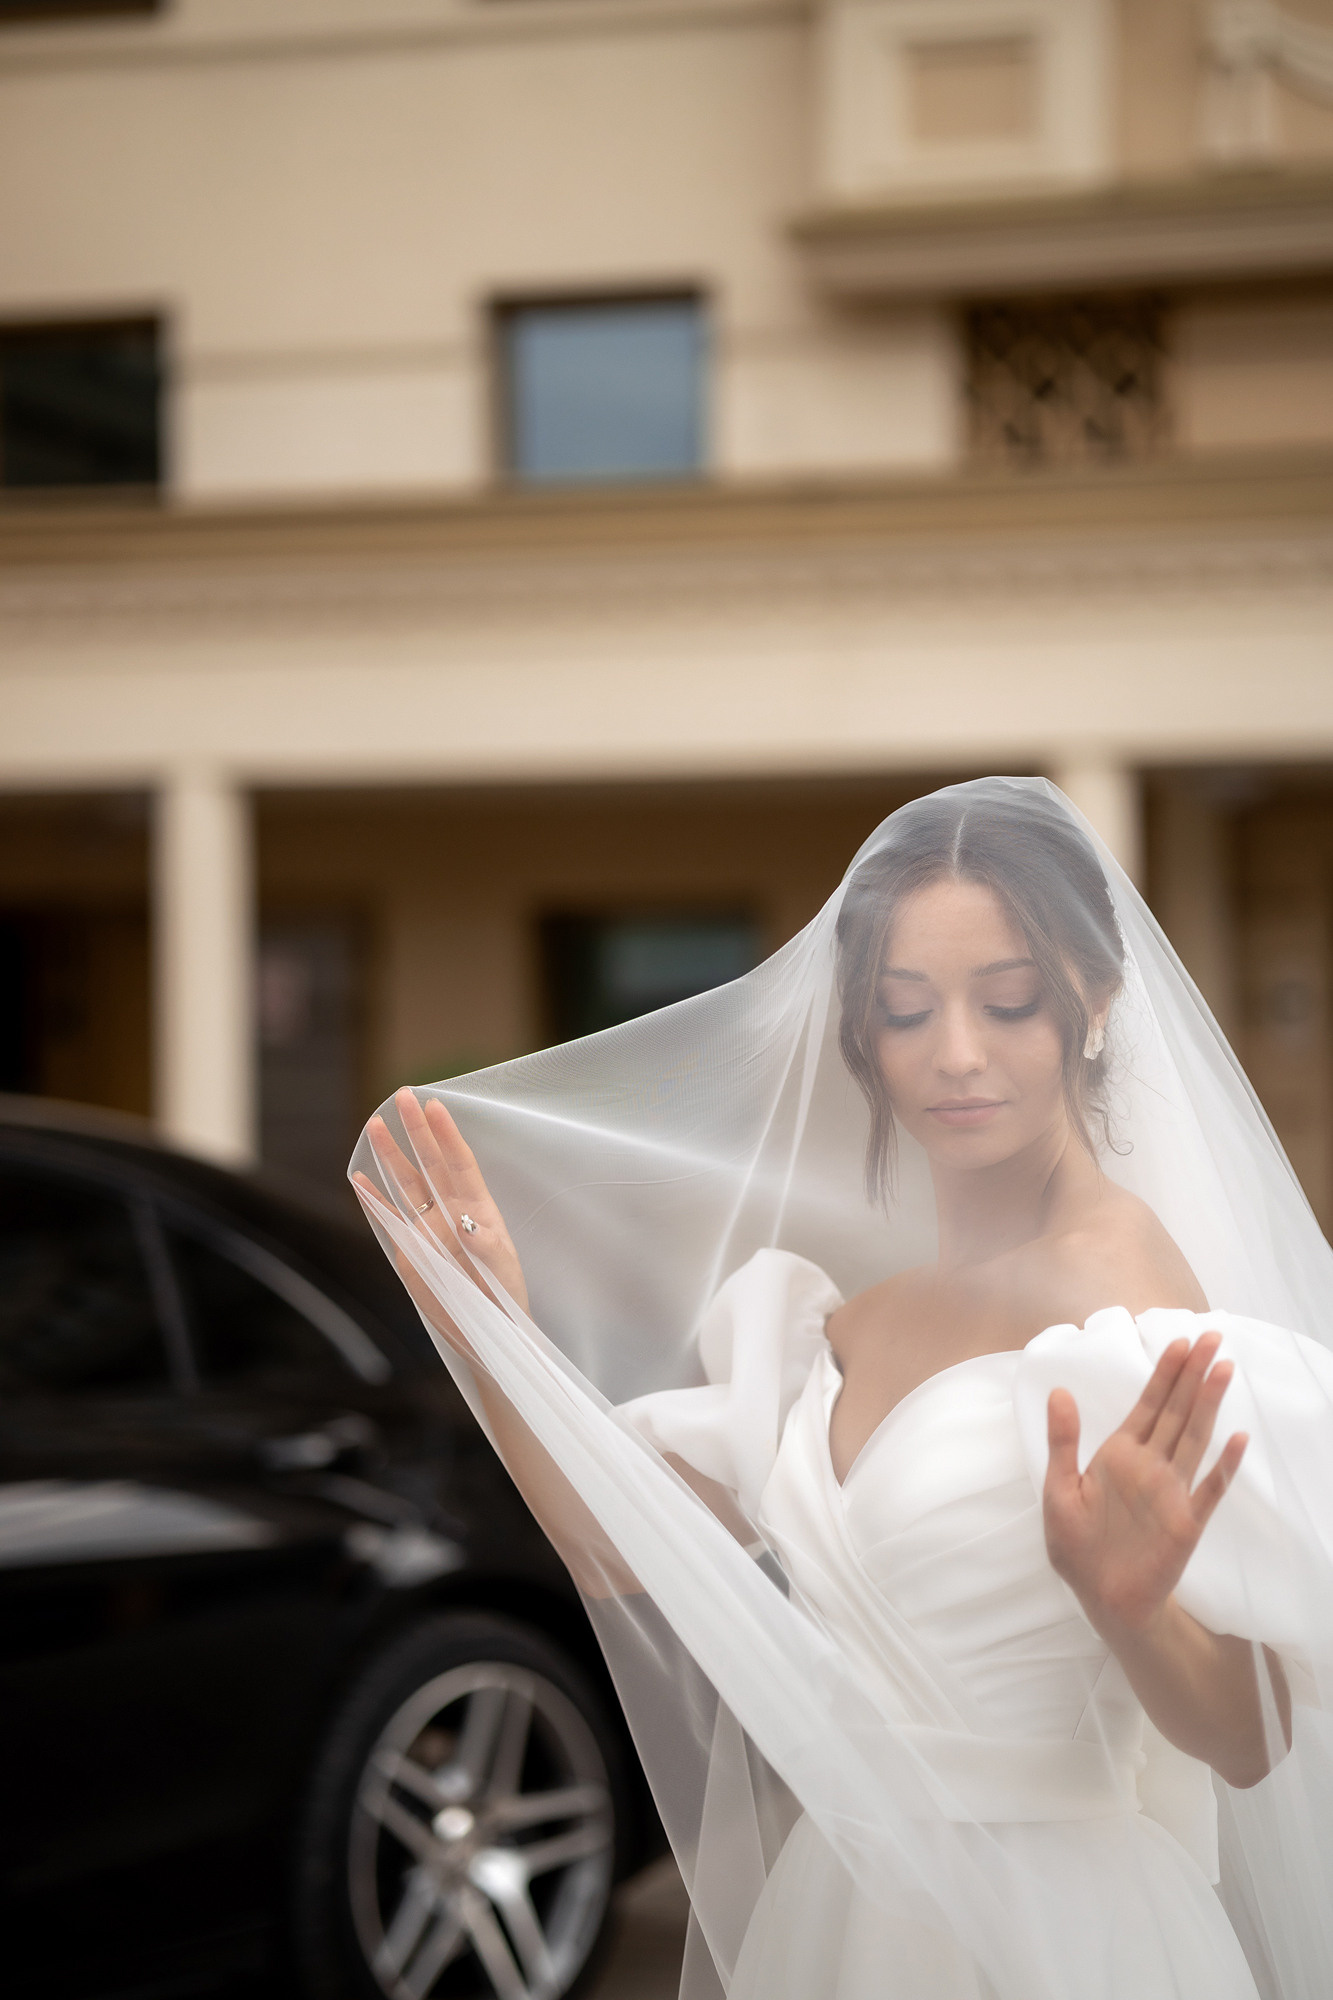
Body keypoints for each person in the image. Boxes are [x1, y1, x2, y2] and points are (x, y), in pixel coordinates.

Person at [353, 779, 1333, 2000]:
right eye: (905, 1009)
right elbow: (614, 1547)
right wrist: (486, 1322)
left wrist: (1130, 1604)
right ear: (862, 1035)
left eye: (1009, 1000)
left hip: (1057, 1933)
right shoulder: (847, 1325)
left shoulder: (1123, 1291)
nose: (956, 1053)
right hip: (841, 1916)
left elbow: (1249, 1737)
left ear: (1093, 1003)